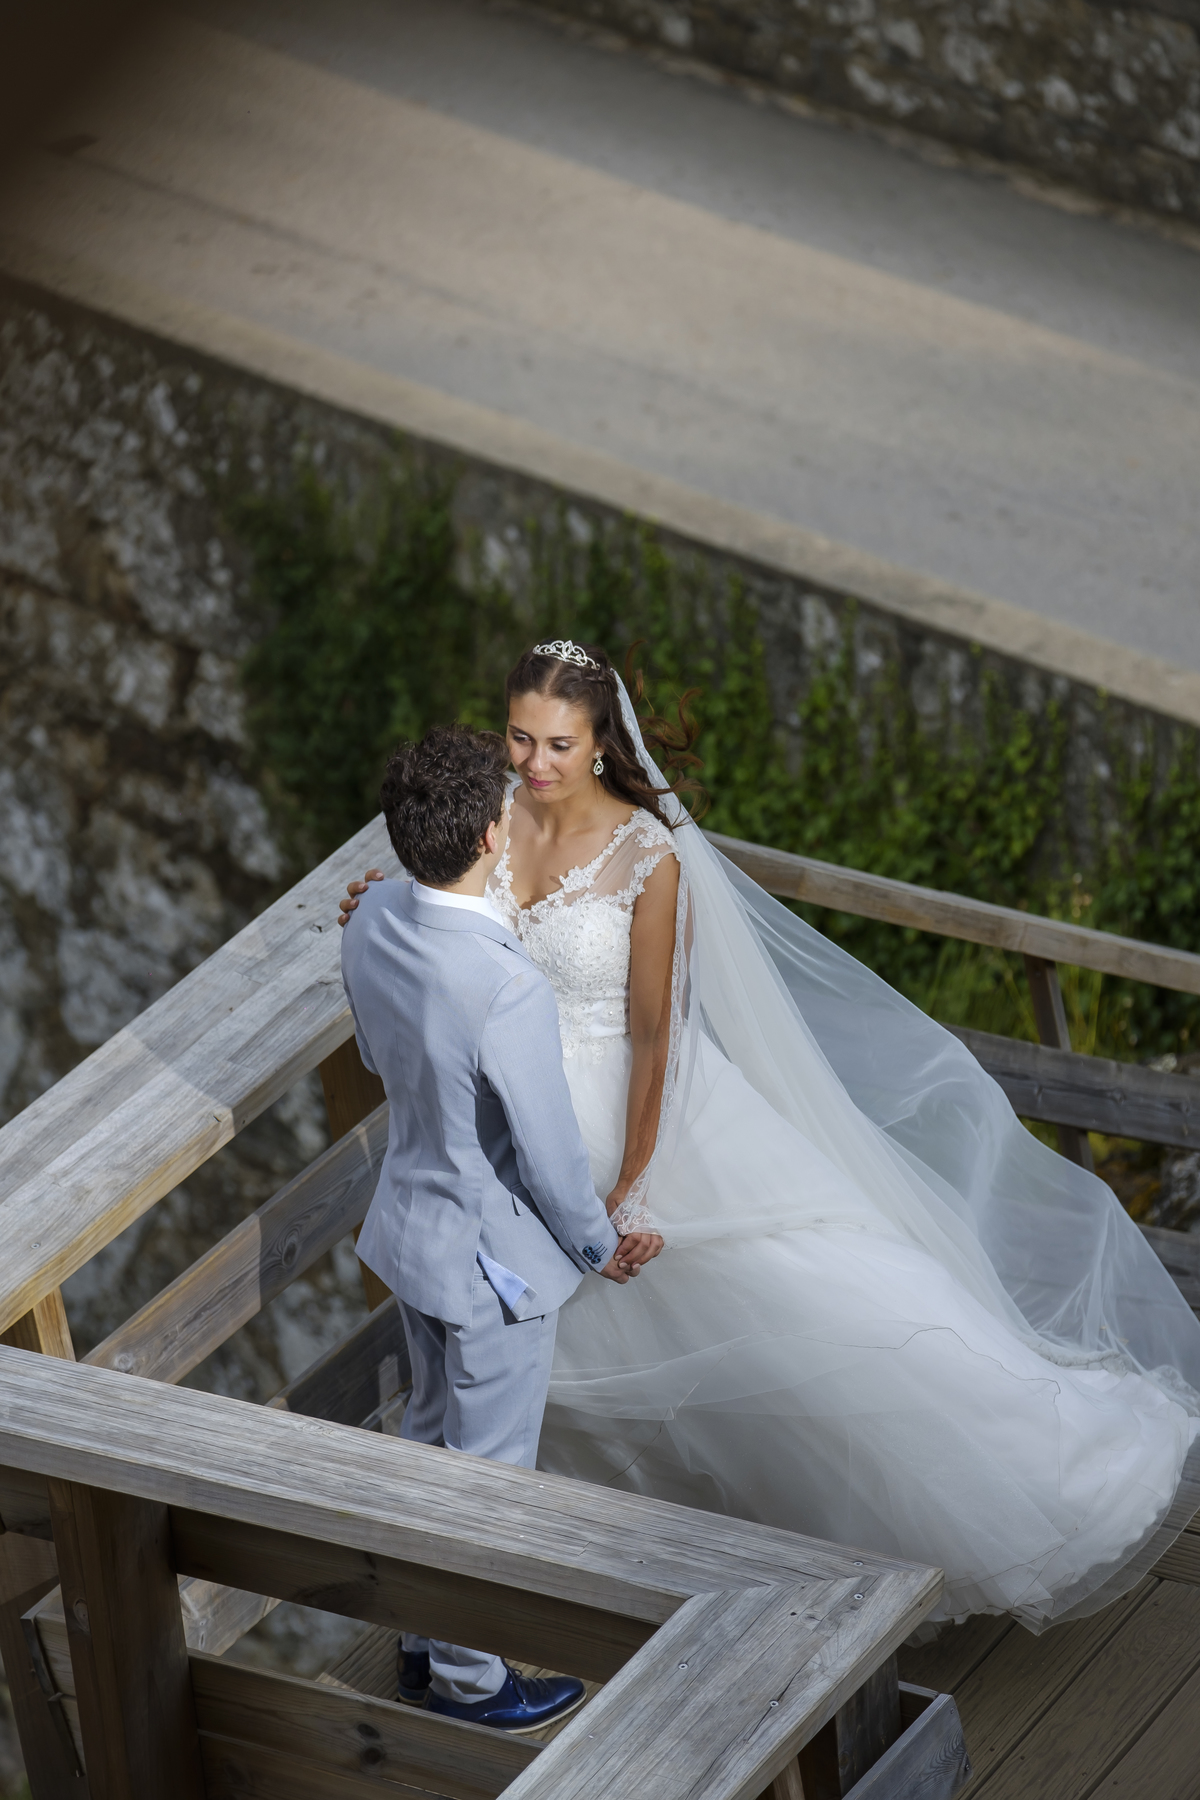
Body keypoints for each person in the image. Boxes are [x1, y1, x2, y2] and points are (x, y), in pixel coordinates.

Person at [341, 641, 1200, 1635]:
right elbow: (444, 906)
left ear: (601, 739)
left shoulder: (647, 856)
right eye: (521, 737)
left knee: (822, 1322)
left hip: (642, 1129)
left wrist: (637, 1180)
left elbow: (658, 1028)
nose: (535, 763)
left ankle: (1031, 1481)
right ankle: (620, 1573)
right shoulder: (488, 817)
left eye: (560, 744)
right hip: (514, 1144)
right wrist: (389, 901)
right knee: (570, 1367)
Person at [340, 721, 654, 1732]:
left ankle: (426, 1649)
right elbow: (554, 1159)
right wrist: (599, 1249)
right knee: (488, 1481)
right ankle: (475, 1684)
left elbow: (376, 1049)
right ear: (490, 832)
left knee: (429, 1445)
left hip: (411, 1234)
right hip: (491, 1273)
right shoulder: (506, 986)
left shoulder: (372, 916)